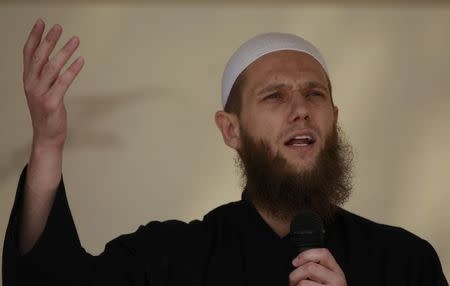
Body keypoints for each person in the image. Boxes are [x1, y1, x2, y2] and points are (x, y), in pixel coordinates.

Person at [2, 18, 448, 286]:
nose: (299, 110)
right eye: (274, 96)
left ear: (333, 117)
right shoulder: (171, 259)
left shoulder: (406, 262)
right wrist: (47, 142)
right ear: (230, 129)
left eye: (314, 94)